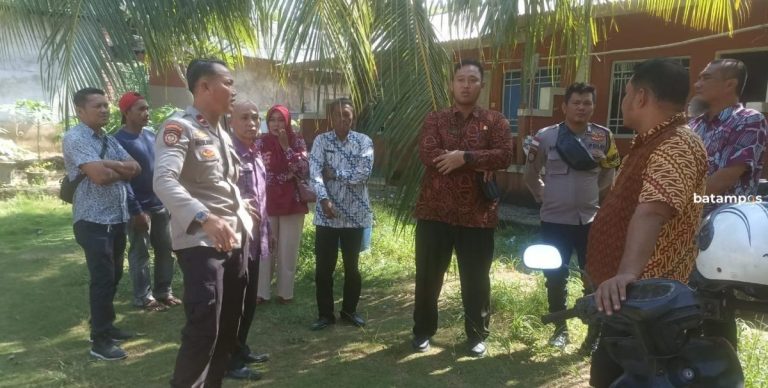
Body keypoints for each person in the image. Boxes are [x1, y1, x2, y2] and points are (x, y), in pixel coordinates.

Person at [584, 58, 708, 387]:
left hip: (648, 304)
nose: (622, 102)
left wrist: (626, 274)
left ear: (640, 97)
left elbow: (653, 210)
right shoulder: (649, 142)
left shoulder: (677, 144)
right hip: (624, 300)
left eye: (624, 94)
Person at [153, 59, 253, 387]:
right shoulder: (179, 128)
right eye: (227, 82)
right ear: (204, 87)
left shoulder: (221, 132)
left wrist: (241, 206)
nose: (233, 90)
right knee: (203, 331)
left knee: (228, 329)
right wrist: (204, 217)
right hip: (201, 246)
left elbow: (217, 184)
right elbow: (164, 181)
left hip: (234, 240)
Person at [410, 59, 513, 358]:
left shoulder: (496, 121)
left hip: (477, 215)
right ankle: (422, 331)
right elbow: (429, 154)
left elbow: (504, 154)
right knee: (428, 276)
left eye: (472, 79)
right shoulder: (435, 120)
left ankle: (477, 335)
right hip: (434, 212)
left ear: (482, 84)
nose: (466, 85)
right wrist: (477, 160)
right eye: (460, 80)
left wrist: (464, 157)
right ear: (452, 84)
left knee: (477, 278)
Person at [524, 82, 620, 352]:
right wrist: (544, 195)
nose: (581, 107)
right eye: (576, 102)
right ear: (564, 106)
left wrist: (590, 195)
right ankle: (560, 329)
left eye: (587, 102)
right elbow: (530, 174)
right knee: (555, 275)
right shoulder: (544, 137)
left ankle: (594, 333)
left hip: (589, 221)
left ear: (593, 106)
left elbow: (609, 173)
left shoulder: (604, 137)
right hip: (554, 221)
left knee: (593, 277)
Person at [689, 58, 768, 349]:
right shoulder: (694, 125)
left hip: (721, 233)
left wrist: (680, 203)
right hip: (684, 226)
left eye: (706, 77)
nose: (697, 83)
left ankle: (720, 370)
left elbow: (729, 175)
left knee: (715, 308)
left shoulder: (748, 120)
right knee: (684, 301)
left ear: (730, 84)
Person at [62, 87, 141, 360]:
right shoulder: (75, 138)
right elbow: (100, 177)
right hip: (92, 220)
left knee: (115, 274)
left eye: (106, 105)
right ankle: (100, 341)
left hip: (116, 217)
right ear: (80, 111)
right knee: (102, 279)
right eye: (98, 106)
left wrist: (109, 164)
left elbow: (136, 168)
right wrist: (115, 167)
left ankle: (105, 325)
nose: (105, 110)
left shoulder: (106, 138)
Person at [308, 98, 374, 330]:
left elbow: (363, 174)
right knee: (324, 268)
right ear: (331, 118)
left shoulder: (364, 142)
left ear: (352, 116)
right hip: (327, 214)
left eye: (346, 114)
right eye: (337, 114)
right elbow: (315, 173)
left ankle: (349, 311)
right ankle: (325, 314)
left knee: (352, 267)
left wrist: (334, 172)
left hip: (355, 215)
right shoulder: (321, 141)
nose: (342, 118)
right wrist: (324, 199)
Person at [113, 92, 180, 313]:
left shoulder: (151, 136)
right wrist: (136, 211)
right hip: (138, 207)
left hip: (159, 203)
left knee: (165, 249)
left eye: (147, 108)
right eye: (140, 109)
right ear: (126, 113)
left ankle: (164, 291)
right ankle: (143, 297)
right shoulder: (118, 141)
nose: (146, 113)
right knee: (140, 252)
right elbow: (123, 180)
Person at [225, 100, 271, 381]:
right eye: (245, 117)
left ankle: (240, 349)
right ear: (231, 121)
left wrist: (267, 235)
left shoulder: (255, 152)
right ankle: (229, 361)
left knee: (248, 302)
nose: (252, 123)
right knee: (233, 304)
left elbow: (261, 199)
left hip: (255, 238)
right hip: (234, 240)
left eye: (255, 117)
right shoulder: (227, 152)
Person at [256, 104, 310, 305]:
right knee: (265, 247)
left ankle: (285, 292)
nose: (276, 124)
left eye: (281, 120)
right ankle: (261, 291)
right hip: (266, 201)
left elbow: (303, 169)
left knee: (288, 248)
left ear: (287, 122)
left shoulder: (296, 140)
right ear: (267, 121)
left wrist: (286, 147)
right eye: (272, 119)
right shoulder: (260, 142)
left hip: (292, 202)